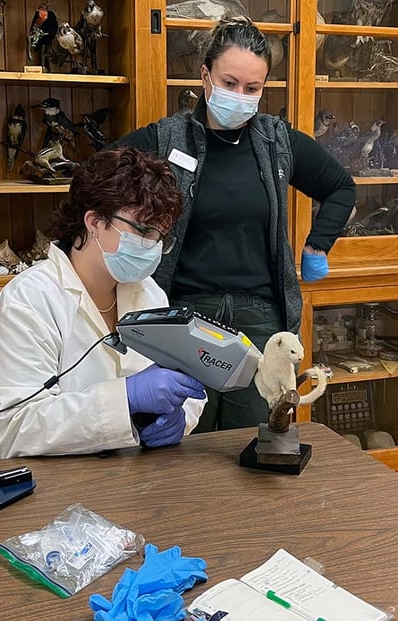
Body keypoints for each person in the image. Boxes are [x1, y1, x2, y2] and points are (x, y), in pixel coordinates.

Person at [110, 16, 356, 433]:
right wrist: (131, 240)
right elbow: (101, 179)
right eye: (229, 83)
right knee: (185, 435)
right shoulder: (167, 139)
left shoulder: (278, 142)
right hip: (187, 315)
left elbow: (341, 188)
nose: (239, 96)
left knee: (256, 436)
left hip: (261, 320)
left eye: (252, 88)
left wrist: (317, 246)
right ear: (205, 77)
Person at [0, 147, 207, 461]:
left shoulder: (149, 295)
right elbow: (13, 428)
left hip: (120, 478)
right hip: (31, 484)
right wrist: (125, 399)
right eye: (143, 231)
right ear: (94, 222)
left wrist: (178, 419)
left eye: (160, 236)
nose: (152, 246)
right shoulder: (29, 299)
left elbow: (179, 388)